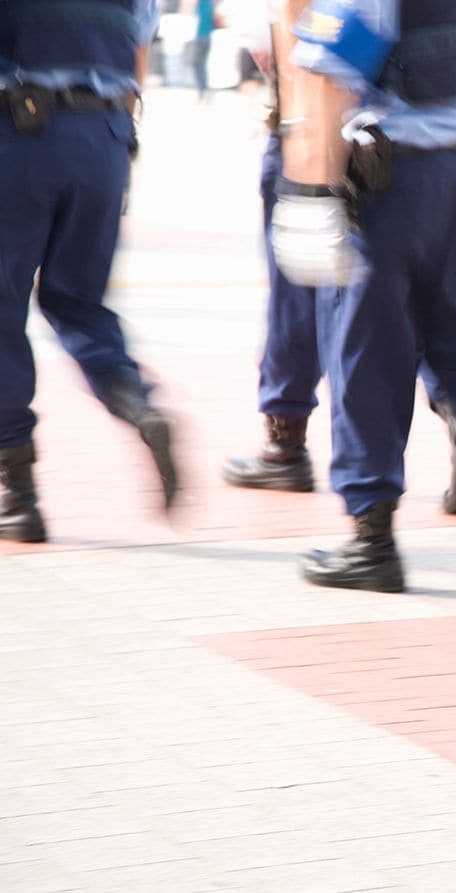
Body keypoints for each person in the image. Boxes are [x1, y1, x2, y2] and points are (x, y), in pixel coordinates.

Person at [270, 0, 456, 593]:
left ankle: (371, 543)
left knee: (367, 361)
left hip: (390, 185)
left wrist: (312, 196)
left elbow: (328, 78)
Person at [222, 0, 456, 519]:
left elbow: (299, 43)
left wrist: (304, 154)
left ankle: (288, 443)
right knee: (442, 322)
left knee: (335, 319)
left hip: (339, 136)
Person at [0, 0, 179, 544]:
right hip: (103, 136)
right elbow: (138, 50)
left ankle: (17, 494)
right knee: (80, 301)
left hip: (16, 134)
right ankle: (137, 403)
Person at [193, 0, 216, 101]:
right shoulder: (209, 3)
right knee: (201, 64)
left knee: (198, 64)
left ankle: (203, 91)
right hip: (206, 36)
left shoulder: (202, 2)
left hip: (200, 37)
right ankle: (204, 91)